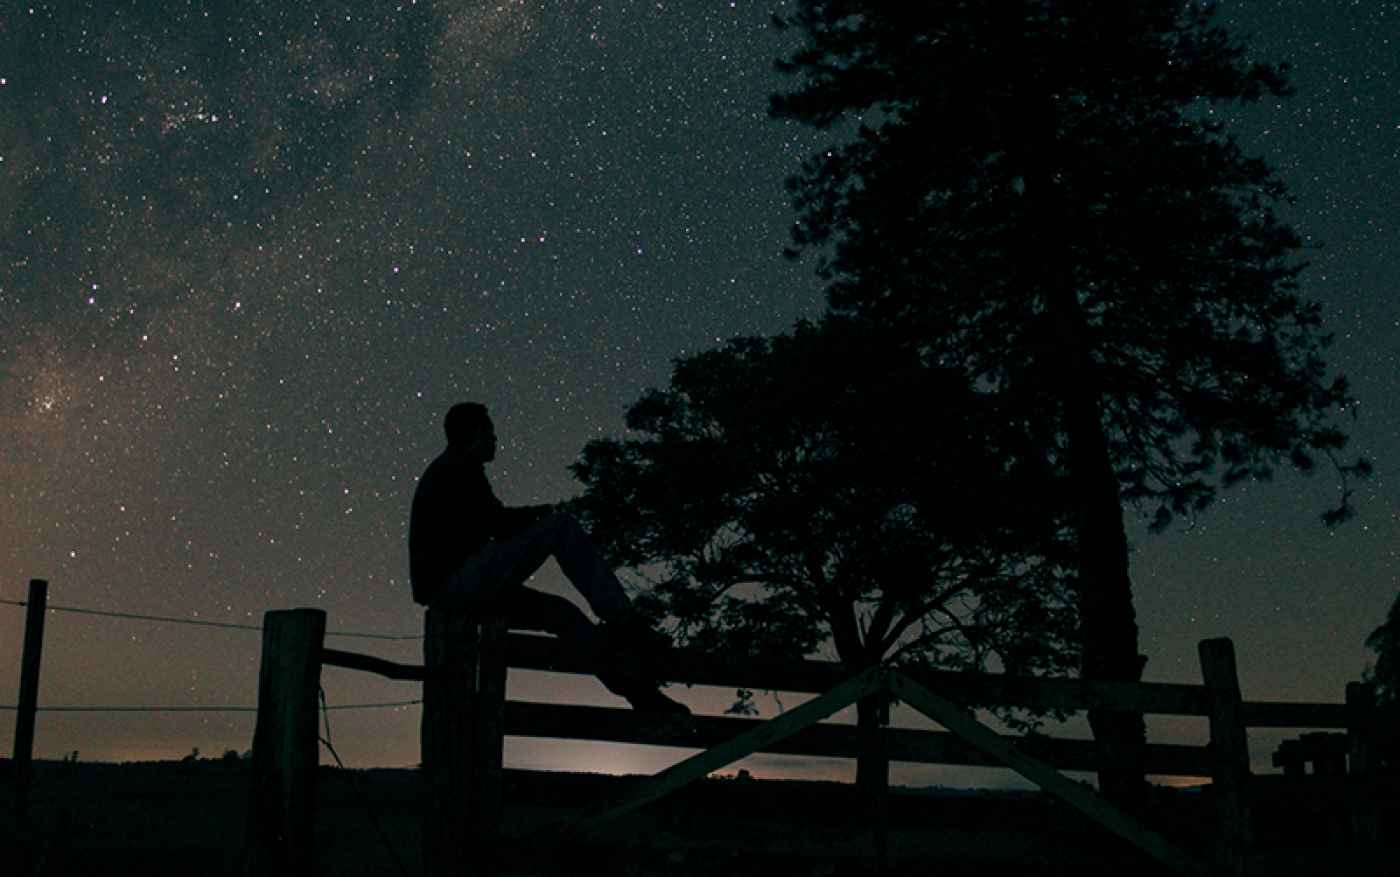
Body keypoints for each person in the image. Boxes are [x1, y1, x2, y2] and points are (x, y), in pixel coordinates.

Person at [409, 401, 689, 716]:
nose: (495, 440)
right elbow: (498, 524)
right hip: (457, 586)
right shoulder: (456, 469)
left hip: (463, 589)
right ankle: (625, 621)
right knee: (561, 528)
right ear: (473, 433)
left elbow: (491, 525)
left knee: (562, 614)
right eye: (490, 432)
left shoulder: (457, 469)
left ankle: (641, 695)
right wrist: (546, 514)